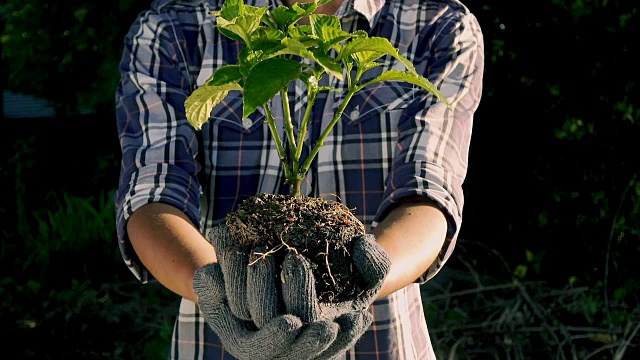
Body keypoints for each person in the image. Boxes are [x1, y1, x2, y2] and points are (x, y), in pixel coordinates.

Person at [114, 0, 484, 358]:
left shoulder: (438, 26)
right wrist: (223, 294)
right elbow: (153, 190)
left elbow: (429, 188)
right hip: (218, 344)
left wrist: (358, 283)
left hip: (380, 341)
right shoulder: (175, 27)